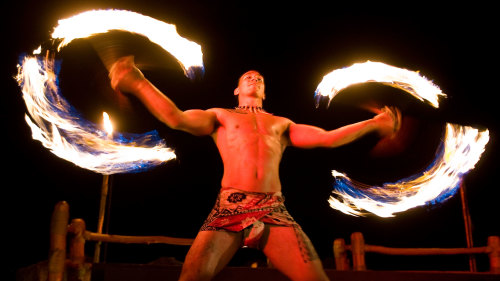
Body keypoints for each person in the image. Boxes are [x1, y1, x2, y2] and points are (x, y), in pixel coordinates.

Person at [109, 56, 400, 281]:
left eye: (259, 78)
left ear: (264, 90)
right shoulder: (220, 116)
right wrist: (137, 82)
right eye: (248, 77)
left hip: (273, 210)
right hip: (229, 208)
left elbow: (327, 138)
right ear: (236, 89)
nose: (254, 77)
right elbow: (176, 118)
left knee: (315, 278)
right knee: (192, 277)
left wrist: (374, 123)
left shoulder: (281, 124)